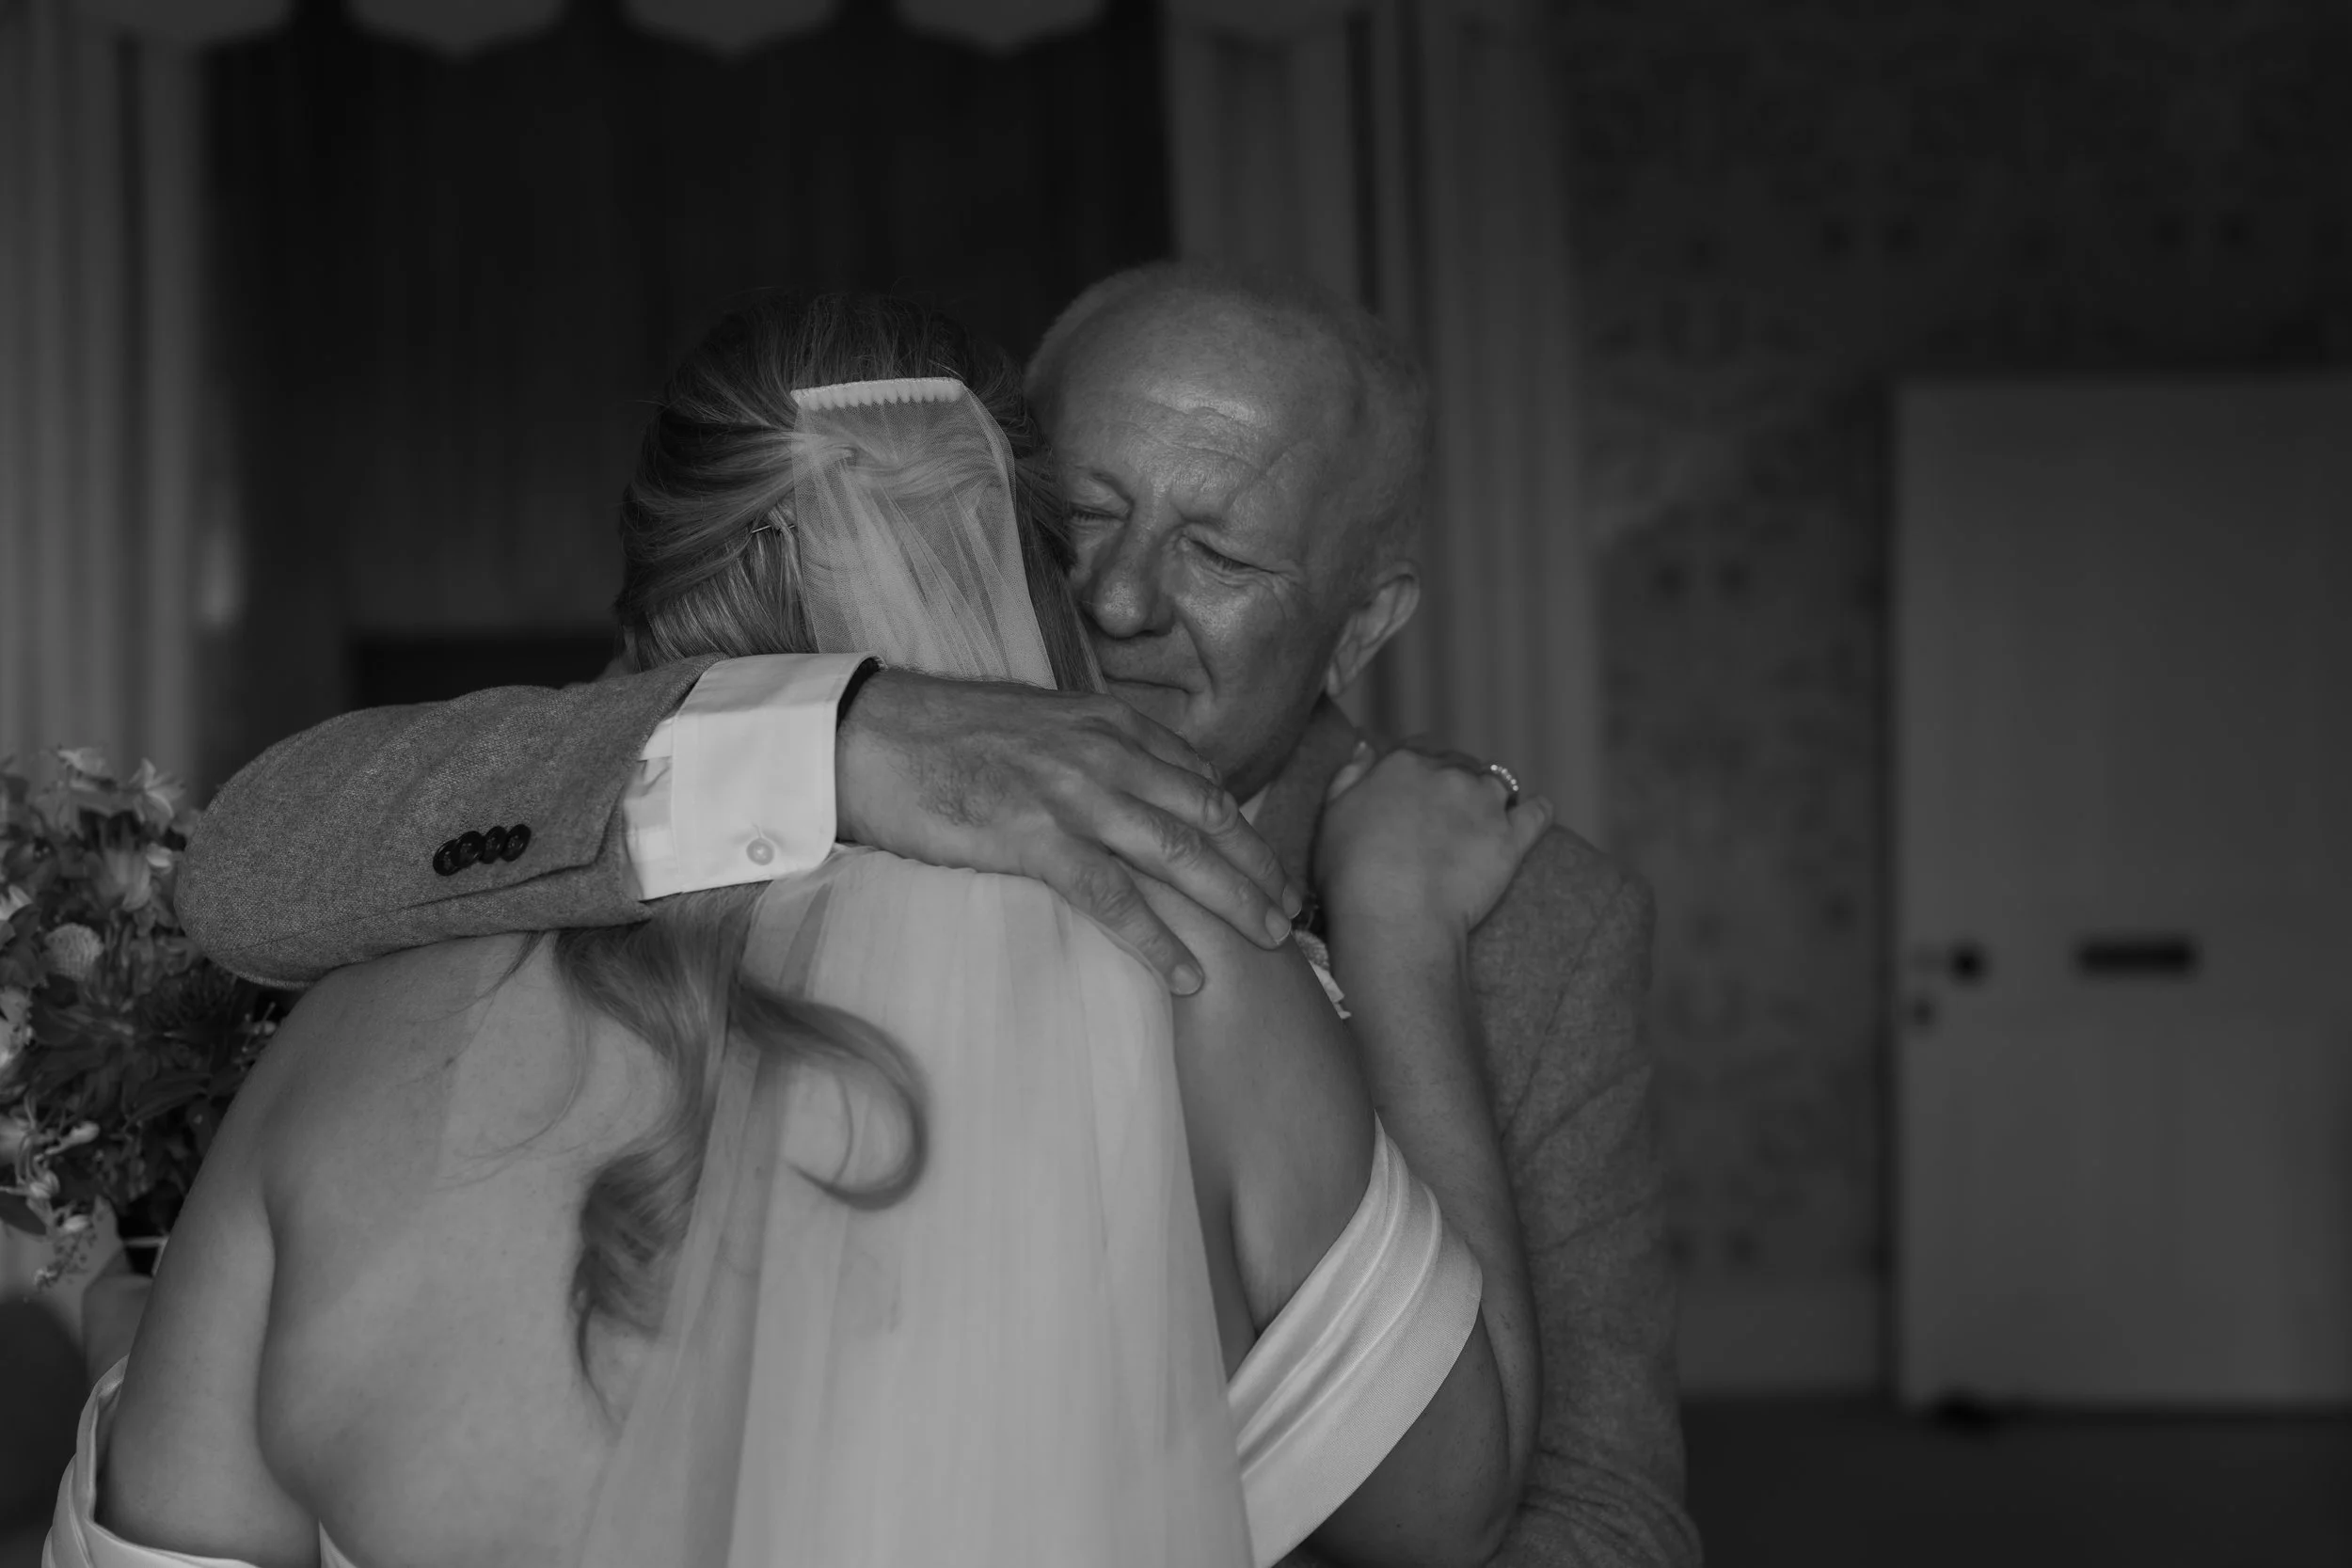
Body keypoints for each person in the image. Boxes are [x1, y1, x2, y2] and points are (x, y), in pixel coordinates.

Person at [168, 262, 1696, 1565]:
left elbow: (1598, 1517)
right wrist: (836, 742)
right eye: (1072, 516)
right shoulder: (658, 807)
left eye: (1220, 553)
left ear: (1365, 620)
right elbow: (242, 868)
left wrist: (1397, 944)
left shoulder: (1532, 927)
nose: (1111, 604)